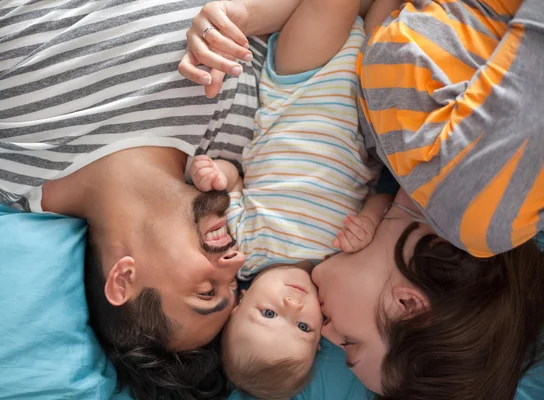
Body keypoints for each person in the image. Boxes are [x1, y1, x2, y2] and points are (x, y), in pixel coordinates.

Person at [179, 0, 544, 399]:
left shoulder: (386, 156)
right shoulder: (476, 213)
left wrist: (242, 19)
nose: (326, 332)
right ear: (407, 306)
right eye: (350, 343)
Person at [0, 0, 269, 398]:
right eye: (232, 284)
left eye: (206, 291)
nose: (234, 261)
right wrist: (245, 14)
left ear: (124, 278)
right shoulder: (233, 139)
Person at [186, 0, 386, 397]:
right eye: (303, 328)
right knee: (391, 22)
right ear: (321, 335)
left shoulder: (245, 247)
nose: (293, 307)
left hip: (299, 86)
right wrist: (370, 220)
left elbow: (234, 182)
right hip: (365, 103)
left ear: (239, 304)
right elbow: (383, 199)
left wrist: (212, 174)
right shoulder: (338, 266)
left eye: (269, 313)